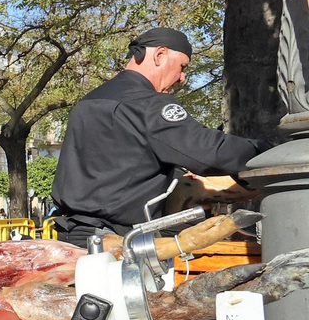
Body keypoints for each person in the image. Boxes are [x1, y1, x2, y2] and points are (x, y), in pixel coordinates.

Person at [51, 27, 272, 245]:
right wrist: (266, 152)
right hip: (114, 244)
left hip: (69, 238)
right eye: (182, 67)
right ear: (159, 55)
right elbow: (210, 153)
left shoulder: (87, 102)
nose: (182, 78)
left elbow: (118, 167)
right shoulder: (149, 104)